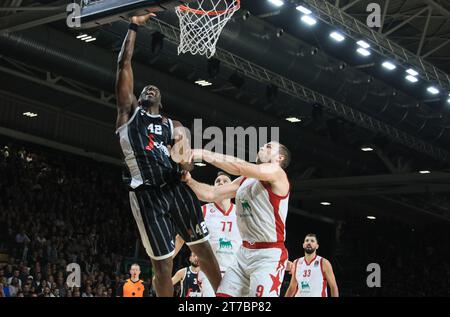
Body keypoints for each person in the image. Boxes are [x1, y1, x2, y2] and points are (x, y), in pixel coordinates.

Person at [115, 12, 221, 297]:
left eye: (155, 89)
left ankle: (226, 296)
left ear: (161, 101)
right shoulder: (128, 114)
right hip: (146, 194)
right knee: (162, 266)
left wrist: (185, 159)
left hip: (176, 187)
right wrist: (133, 25)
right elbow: (123, 63)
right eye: (146, 88)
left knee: (204, 248)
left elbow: (185, 159)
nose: (149, 89)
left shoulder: (172, 125)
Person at [183, 141, 291, 297]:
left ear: (279, 158)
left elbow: (240, 166)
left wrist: (203, 153)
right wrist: (188, 180)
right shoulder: (245, 180)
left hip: (268, 254)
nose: (261, 147)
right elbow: (211, 194)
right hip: (244, 253)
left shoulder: (277, 172)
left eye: (268, 147)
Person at [174, 172, 242, 297]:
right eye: (217, 181)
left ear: (231, 187)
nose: (221, 182)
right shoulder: (203, 211)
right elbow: (181, 237)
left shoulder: (241, 211)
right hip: (209, 271)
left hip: (236, 271)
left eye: (225, 181)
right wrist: (166, 261)